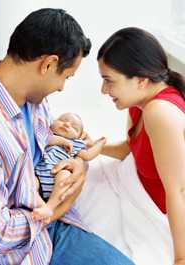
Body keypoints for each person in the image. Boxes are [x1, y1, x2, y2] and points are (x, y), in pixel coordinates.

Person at [0, 8, 135, 265]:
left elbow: (52, 147)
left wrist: (78, 165)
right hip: (21, 249)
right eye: (65, 76)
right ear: (48, 64)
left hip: (56, 229)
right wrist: (56, 210)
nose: (61, 87)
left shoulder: (33, 99)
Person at [89, 27, 185, 265]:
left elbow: (178, 191)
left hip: (159, 208)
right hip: (135, 181)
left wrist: (181, 257)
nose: (103, 90)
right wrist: (98, 147)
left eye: (108, 81)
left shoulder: (159, 112)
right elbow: (132, 149)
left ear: (141, 80)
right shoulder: (138, 102)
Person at [32, 112, 106, 221]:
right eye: (63, 120)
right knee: (31, 183)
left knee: (65, 175)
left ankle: (49, 207)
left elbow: (88, 155)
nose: (67, 124)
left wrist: (99, 145)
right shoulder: (48, 133)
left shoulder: (75, 144)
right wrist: (62, 141)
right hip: (38, 173)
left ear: (78, 137)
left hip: (56, 177)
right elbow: (44, 140)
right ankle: (40, 205)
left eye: (74, 127)